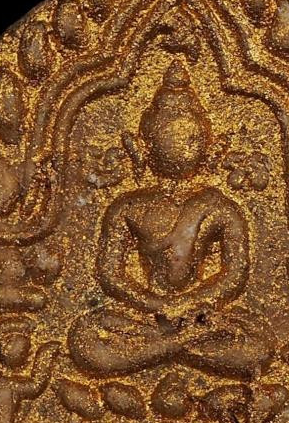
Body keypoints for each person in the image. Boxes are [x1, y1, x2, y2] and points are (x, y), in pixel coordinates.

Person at [69, 62, 273, 380]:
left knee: (260, 343)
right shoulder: (127, 206)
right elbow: (110, 275)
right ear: (144, 144)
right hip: (147, 316)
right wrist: (157, 305)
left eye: (192, 137)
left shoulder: (221, 207)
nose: (180, 145)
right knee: (85, 335)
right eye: (168, 135)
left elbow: (234, 276)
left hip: (200, 316)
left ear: (208, 144)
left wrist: (190, 304)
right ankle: (179, 345)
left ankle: (160, 349)